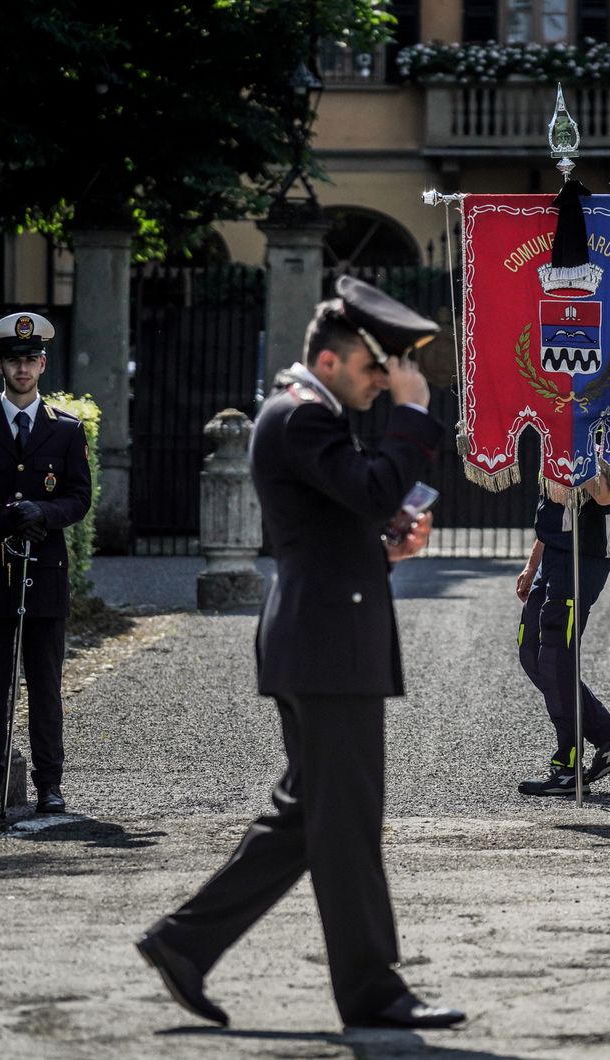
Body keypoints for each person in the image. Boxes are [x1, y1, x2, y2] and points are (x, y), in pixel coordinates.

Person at [136, 276, 464, 1031]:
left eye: (388, 375)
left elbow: (337, 520)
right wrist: (413, 413)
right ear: (329, 356)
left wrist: (385, 550)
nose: (382, 382)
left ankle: (184, 944)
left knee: (309, 817)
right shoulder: (299, 416)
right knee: (344, 822)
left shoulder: (308, 414)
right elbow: (377, 485)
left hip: (323, 636)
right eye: (372, 369)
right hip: (325, 646)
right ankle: (373, 991)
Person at [0, 313, 92, 816]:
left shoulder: (67, 431)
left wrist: (44, 513)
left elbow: (79, 498)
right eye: (14, 360)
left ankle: (50, 783)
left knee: (46, 684)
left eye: (30, 360)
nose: (23, 368)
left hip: (44, 571)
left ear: (43, 364)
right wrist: (6, 519)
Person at [515, 474, 610, 796]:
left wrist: (579, 467)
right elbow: (552, 512)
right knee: (530, 651)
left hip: (583, 555)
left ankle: (568, 765)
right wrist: (532, 565)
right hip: (553, 555)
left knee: (556, 656)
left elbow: (609, 498)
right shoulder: (554, 435)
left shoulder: (597, 433)